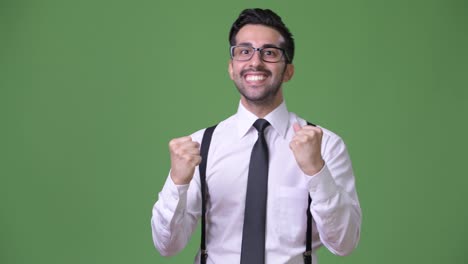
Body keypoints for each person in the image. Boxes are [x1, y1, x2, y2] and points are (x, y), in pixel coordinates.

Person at [151, 8, 361, 264]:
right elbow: (167, 246)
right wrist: (177, 182)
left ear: (288, 71)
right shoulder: (200, 146)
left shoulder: (326, 145)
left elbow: (345, 243)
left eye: (269, 52)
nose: (255, 62)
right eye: (244, 51)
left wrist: (317, 171)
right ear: (231, 67)